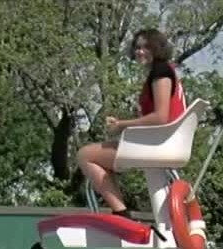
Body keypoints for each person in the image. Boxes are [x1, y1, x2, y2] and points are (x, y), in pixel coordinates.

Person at [76, 28, 187, 220]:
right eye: (137, 47)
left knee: (85, 155)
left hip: (159, 145)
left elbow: (160, 117)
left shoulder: (160, 72)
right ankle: (123, 213)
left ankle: (121, 213)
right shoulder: (164, 71)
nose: (140, 51)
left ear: (157, 48)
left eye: (146, 47)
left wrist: (121, 125)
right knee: (100, 157)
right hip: (163, 142)